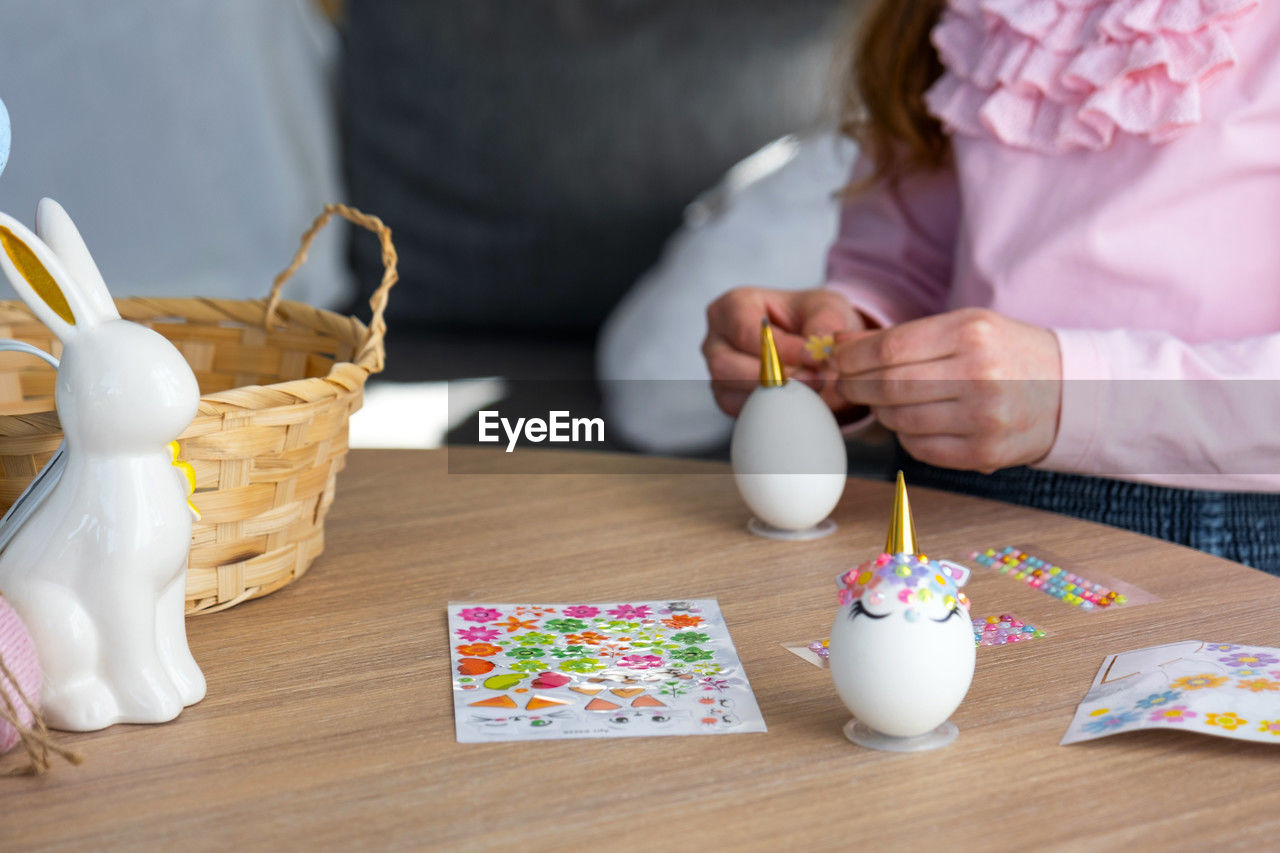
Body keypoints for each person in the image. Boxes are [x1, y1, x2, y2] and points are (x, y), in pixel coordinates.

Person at [703, 0, 1280, 571]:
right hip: (940, 496)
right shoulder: (962, 16)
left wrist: (1063, 397)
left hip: (1212, 530)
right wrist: (850, 335)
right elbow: (905, 265)